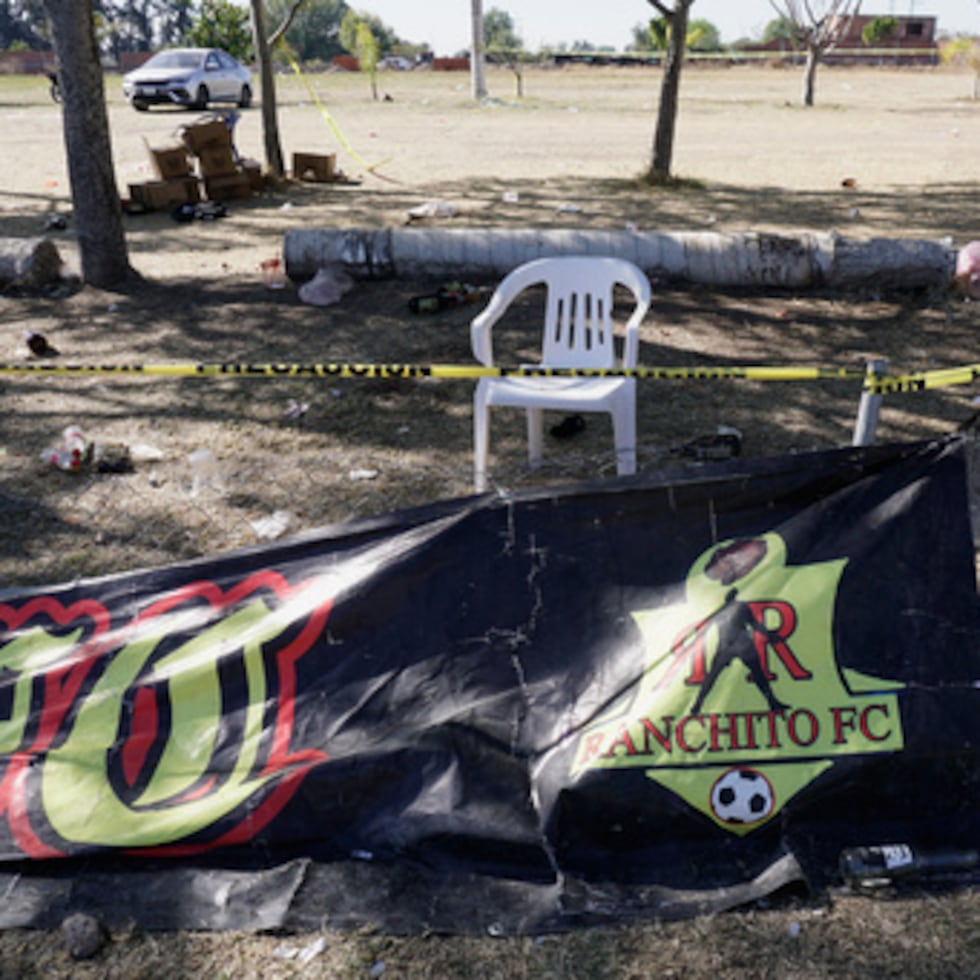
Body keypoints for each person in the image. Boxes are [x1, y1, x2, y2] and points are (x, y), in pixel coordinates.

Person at [689, 587, 790, 715]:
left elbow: (754, 624)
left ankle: (773, 702)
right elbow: (706, 627)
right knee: (713, 676)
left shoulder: (737, 607)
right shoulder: (722, 609)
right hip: (729, 645)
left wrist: (768, 635)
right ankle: (697, 704)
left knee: (757, 673)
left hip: (739, 644)